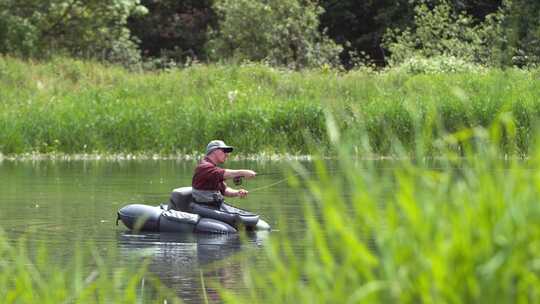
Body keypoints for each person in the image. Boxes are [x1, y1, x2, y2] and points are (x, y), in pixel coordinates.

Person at [191, 140, 256, 208]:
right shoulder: (204, 167)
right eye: (224, 151)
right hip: (204, 207)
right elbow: (225, 173)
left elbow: (224, 190)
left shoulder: (212, 168)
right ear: (215, 151)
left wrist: (237, 192)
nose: (227, 154)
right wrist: (243, 172)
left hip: (214, 206)